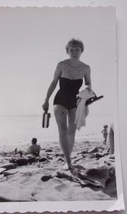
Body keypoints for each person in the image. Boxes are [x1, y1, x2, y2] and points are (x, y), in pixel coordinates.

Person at [42, 39, 92, 170]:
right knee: (63, 131)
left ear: (82, 51)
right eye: (72, 49)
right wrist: (46, 99)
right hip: (60, 100)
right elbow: (53, 83)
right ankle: (69, 162)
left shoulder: (85, 68)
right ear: (67, 51)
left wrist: (88, 91)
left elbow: (88, 83)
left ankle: (67, 159)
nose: (74, 52)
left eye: (77, 49)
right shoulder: (62, 65)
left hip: (76, 101)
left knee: (72, 133)